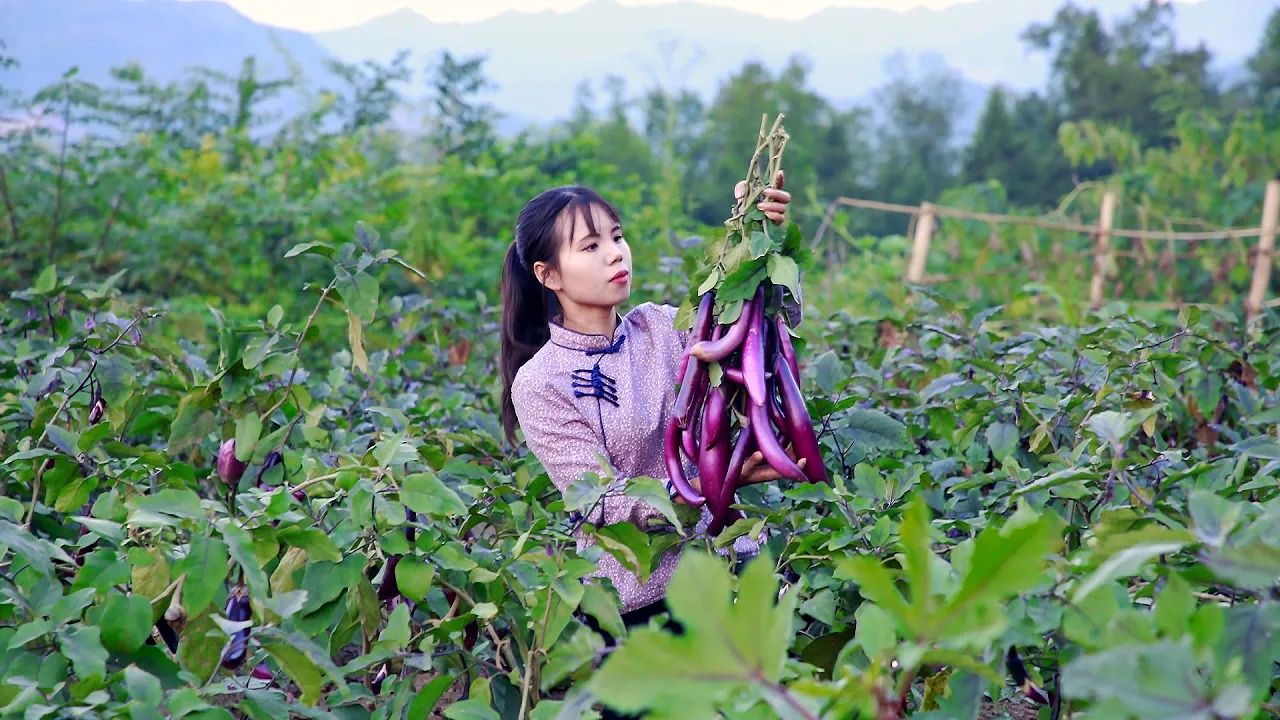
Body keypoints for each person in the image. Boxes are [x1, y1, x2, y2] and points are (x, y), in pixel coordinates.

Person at [499, 174, 798, 633]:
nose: (616, 253)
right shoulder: (540, 382)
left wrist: (759, 239)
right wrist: (715, 486)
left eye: (617, 237)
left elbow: (759, 335)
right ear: (548, 275)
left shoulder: (663, 326)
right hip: (639, 605)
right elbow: (603, 502)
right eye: (591, 246)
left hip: (731, 569)